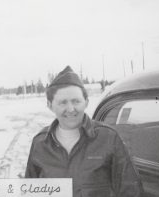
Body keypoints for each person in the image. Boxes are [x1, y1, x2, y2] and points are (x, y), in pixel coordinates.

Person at [25, 66, 143, 197]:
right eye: (63, 102)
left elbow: (131, 190)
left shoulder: (108, 138)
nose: (71, 109)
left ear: (86, 102)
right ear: (50, 105)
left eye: (76, 101)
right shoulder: (40, 143)